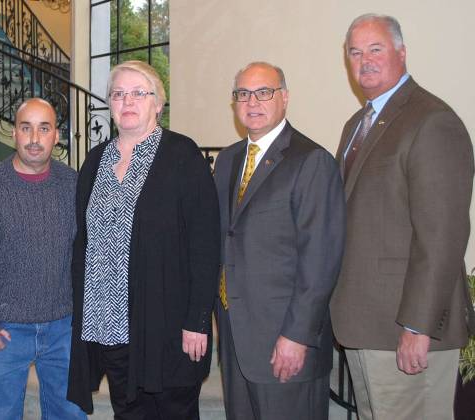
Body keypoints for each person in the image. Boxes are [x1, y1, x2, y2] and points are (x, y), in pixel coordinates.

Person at [330, 14, 475, 420]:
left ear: (402, 52)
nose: (365, 61)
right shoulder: (356, 124)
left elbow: (443, 236)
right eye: (355, 52)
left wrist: (418, 326)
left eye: (376, 49)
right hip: (364, 324)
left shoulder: (432, 121)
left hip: (403, 328)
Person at [66, 60, 221, 419]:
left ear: (158, 103)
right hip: (110, 327)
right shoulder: (95, 160)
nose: (128, 101)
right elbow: (83, 244)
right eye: (118, 94)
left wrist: (197, 320)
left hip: (166, 326)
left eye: (139, 92)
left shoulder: (182, 155)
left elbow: (204, 244)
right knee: (128, 412)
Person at [213, 62, 345, 420]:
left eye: (264, 92)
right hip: (236, 337)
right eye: (242, 94)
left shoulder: (311, 161)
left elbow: (321, 260)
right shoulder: (227, 160)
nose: (252, 102)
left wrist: (298, 336)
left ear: (284, 98)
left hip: (284, 342)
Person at [0, 98, 86, 419]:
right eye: (26, 128)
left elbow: (90, 259)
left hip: (63, 331)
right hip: (4, 331)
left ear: (57, 135)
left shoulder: (75, 185)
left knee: (70, 414)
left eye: (44, 128)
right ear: (14, 134)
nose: (35, 139)